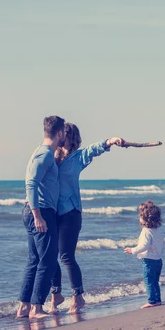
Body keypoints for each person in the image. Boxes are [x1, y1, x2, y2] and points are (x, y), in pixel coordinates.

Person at [49, 122, 125, 314]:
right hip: (52, 212)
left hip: (71, 212)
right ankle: (55, 296)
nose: (59, 136)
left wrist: (111, 141)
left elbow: (94, 149)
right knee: (50, 257)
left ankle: (78, 297)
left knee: (66, 256)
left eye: (62, 133)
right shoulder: (53, 156)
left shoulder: (78, 157)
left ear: (69, 135)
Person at [17, 116, 66, 319]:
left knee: (34, 261)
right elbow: (30, 183)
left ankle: (24, 308)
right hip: (40, 212)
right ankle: (37, 308)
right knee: (47, 261)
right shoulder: (44, 155)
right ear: (59, 133)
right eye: (64, 133)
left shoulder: (42, 152)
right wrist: (38, 216)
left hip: (35, 211)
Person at [124, 201, 165, 309]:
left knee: (149, 281)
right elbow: (162, 242)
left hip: (149, 261)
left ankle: (152, 301)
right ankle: (157, 300)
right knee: (155, 281)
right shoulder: (158, 230)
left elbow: (144, 246)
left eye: (140, 216)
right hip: (158, 260)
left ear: (145, 219)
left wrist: (133, 250)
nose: (139, 219)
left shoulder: (146, 231)